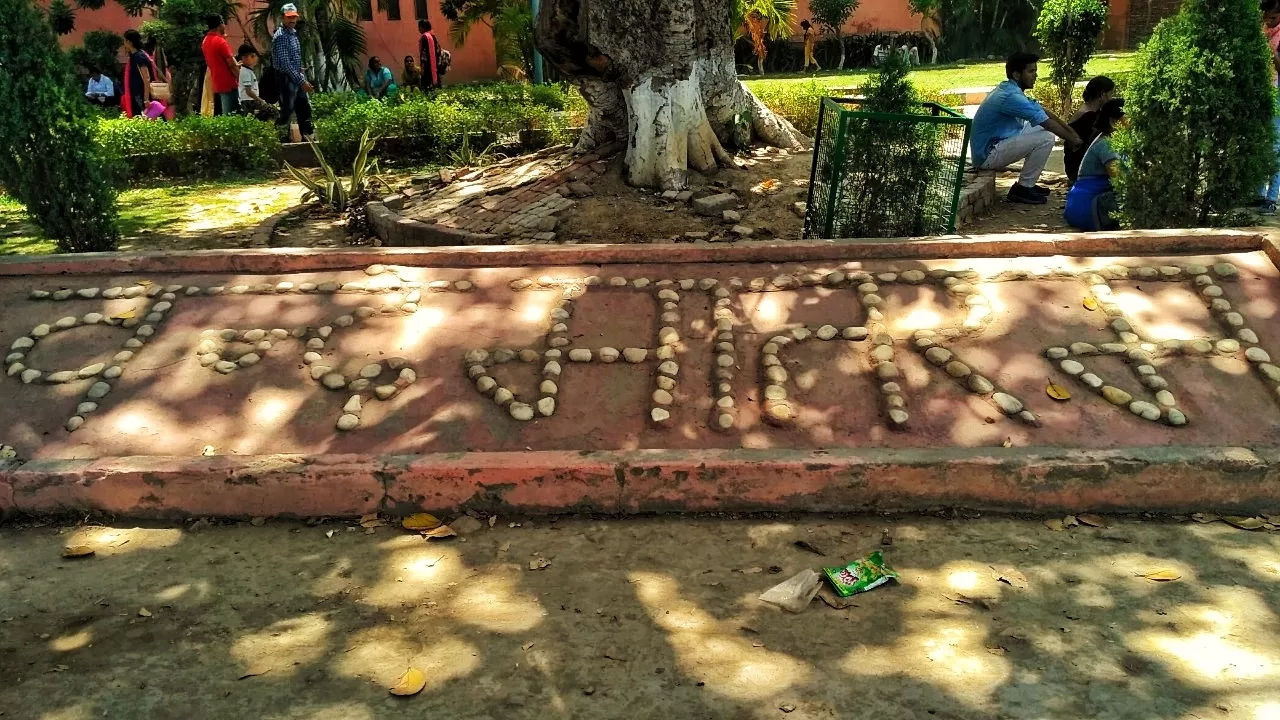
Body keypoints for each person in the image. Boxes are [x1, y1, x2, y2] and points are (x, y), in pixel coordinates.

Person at [970, 52, 1083, 205]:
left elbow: (1044, 112)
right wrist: (1074, 141)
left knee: (1043, 131)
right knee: (1046, 137)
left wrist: (1072, 134)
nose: (1035, 75)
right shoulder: (1010, 96)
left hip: (999, 142)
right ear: (1017, 74)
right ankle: (1023, 188)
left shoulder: (1010, 89)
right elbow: (1047, 123)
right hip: (987, 155)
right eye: (1031, 71)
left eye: (1035, 71)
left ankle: (1027, 185)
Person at [1064, 99, 1126, 231]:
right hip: (1088, 208)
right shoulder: (1107, 144)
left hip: (1087, 206)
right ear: (1114, 122)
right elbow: (1121, 181)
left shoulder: (1111, 140)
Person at [272, 3, 314, 141]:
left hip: (294, 75)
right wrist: (302, 81)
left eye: (294, 17)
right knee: (288, 109)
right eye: (289, 17)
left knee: (304, 107)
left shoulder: (293, 34)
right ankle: (280, 139)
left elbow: (292, 60)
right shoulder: (281, 36)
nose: (292, 20)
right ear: (282, 18)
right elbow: (286, 64)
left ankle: (307, 137)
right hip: (285, 78)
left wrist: (300, 70)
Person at [1064, 76, 1116, 185]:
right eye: (1110, 94)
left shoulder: (1089, 112)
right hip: (1080, 170)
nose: (1111, 98)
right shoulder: (1088, 116)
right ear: (1102, 94)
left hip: (1076, 167)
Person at [1260, 0, 1280, 214]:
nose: (1268, 22)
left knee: (1274, 149)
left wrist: (1272, 54)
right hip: (1263, 93)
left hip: (1277, 97)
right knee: (1260, 144)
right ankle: (1258, 194)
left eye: (1273, 18)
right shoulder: (1264, 31)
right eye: (1266, 18)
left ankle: (1271, 197)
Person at [201, 13, 240, 115]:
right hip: (229, 83)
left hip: (217, 83)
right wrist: (241, 79)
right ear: (220, 24)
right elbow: (231, 64)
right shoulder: (220, 42)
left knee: (226, 113)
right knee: (231, 115)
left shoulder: (205, 41)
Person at [237, 44, 279, 121]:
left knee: (253, 118)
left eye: (255, 56)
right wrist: (260, 100)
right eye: (252, 56)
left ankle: (259, 123)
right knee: (273, 111)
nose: (255, 59)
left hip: (251, 100)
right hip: (249, 101)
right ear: (244, 58)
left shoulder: (249, 71)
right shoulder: (245, 72)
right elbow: (248, 91)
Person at [121, 29, 155, 118]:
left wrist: (146, 99)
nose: (124, 43)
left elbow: (146, 78)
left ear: (129, 42)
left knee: (146, 119)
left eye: (125, 41)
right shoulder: (133, 57)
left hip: (141, 97)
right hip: (136, 95)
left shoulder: (139, 56)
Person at [418, 19, 443, 91]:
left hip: (427, 66)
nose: (418, 29)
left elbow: (424, 53)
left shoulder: (424, 37)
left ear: (423, 27)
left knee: (426, 86)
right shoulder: (432, 36)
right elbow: (438, 50)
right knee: (435, 83)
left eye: (419, 27)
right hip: (435, 64)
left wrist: (422, 67)